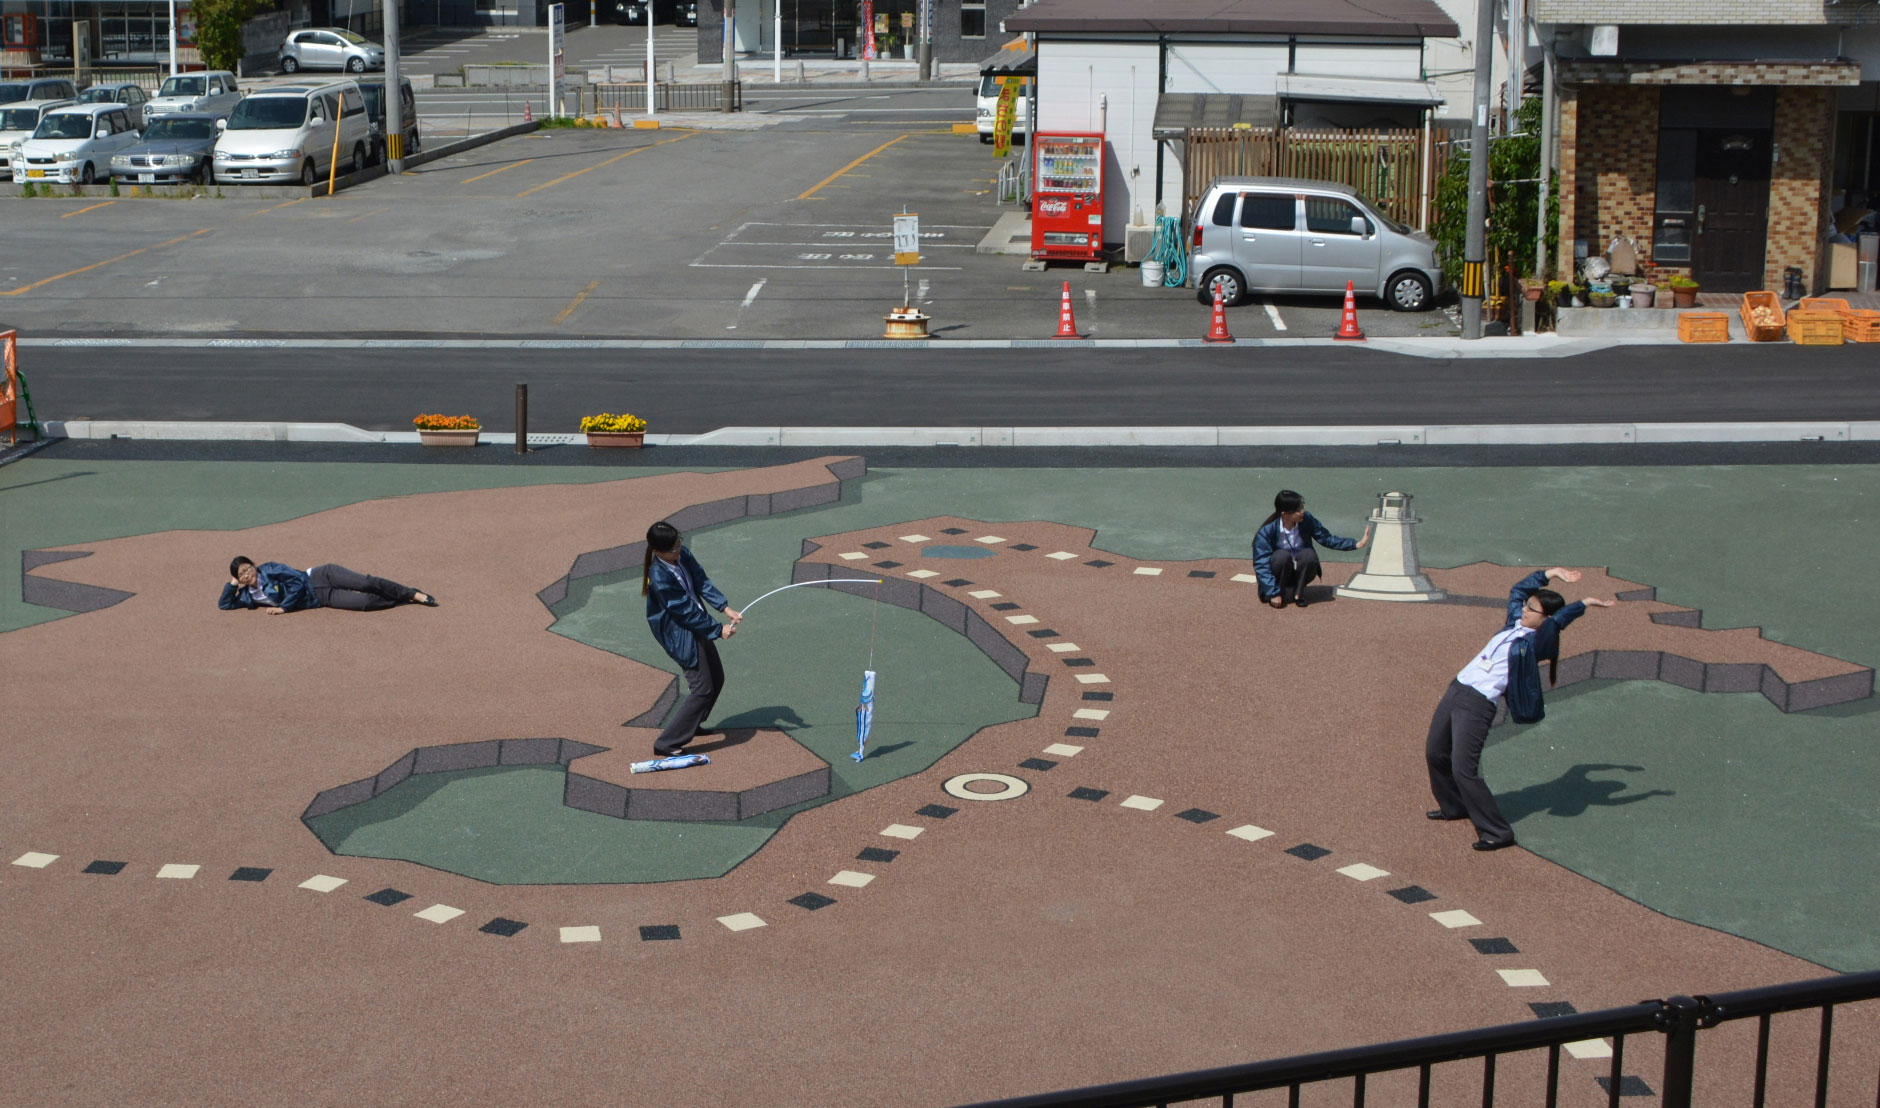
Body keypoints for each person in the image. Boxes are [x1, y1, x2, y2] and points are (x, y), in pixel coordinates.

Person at [1425, 567, 1615, 851]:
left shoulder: (1535, 642)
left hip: (1478, 702)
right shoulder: (1515, 622)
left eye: (1532, 610)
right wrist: (1551, 573)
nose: (1525, 611)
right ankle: (1454, 806)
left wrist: (1583, 604)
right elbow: (1518, 591)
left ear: (1545, 618)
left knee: (1464, 768)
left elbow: (1557, 622)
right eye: (1527, 607)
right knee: (1435, 752)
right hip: (1458, 688)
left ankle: (1498, 832)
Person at [642, 520, 742, 758]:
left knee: (716, 679)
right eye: (674, 550)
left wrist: (724, 607)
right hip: (681, 633)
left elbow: (700, 579)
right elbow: (683, 610)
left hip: (698, 624)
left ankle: (691, 724)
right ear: (658, 552)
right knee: (702, 689)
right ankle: (666, 743)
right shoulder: (658, 577)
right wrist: (717, 630)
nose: (679, 552)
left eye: (679, 545)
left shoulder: (681, 553)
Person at [1251, 490, 1371, 608]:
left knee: (1309, 554)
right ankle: (1279, 593)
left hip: (1300, 571)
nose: (1303, 511)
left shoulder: (1306, 520)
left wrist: (1356, 544)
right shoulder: (1266, 532)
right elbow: (1261, 564)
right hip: (1280, 573)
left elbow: (1326, 538)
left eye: (1303, 507)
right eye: (1298, 510)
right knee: (1281, 556)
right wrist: (1273, 593)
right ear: (1285, 513)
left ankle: (1298, 594)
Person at [218, 557, 434, 614]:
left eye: (247, 568)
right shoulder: (250, 596)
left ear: (253, 565)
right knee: (366, 603)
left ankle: (412, 593)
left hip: (321, 577)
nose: (246, 574)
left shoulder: (270, 569)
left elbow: (297, 581)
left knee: (366, 583)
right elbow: (225, 604)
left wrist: (285, 607)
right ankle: (402, 598)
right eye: (241, 575)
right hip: (321, 599)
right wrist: (232, 584)